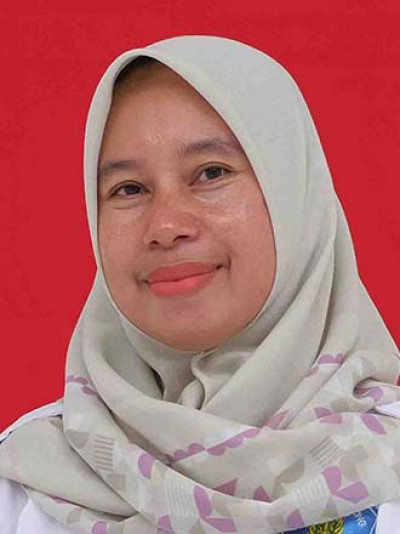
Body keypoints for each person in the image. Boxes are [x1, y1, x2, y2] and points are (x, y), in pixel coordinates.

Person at [0, 35, 399, 534]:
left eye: (211, 173)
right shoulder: (25, 482)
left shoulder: (391, 459)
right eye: (129, 189)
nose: (166, 226)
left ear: (297, 198)